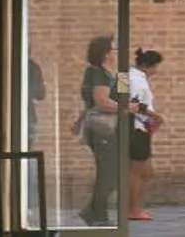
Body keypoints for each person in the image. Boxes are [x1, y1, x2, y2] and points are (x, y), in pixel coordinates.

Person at [79, 34, 124, 227]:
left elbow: (123, 96)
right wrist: (127, 108)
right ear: (106, 53)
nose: (116, 53)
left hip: (106, 127)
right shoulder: (96, 73)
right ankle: (96, 213)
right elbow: (102, 102)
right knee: (110, 173)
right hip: (102, 129)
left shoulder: (109, 73)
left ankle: (95, 212)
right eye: (114, 50)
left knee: (111, 172)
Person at [127, 47, 166, 222]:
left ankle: (135, 206)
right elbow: (133, 103)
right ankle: (132, 209)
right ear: (146, 65)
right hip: (136, 128)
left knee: (146, 171)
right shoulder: (136, 79)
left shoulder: (131, 76)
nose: (156, 72)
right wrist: (156, 116)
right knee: (137, 171)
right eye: (155, 67)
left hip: (141, 127)